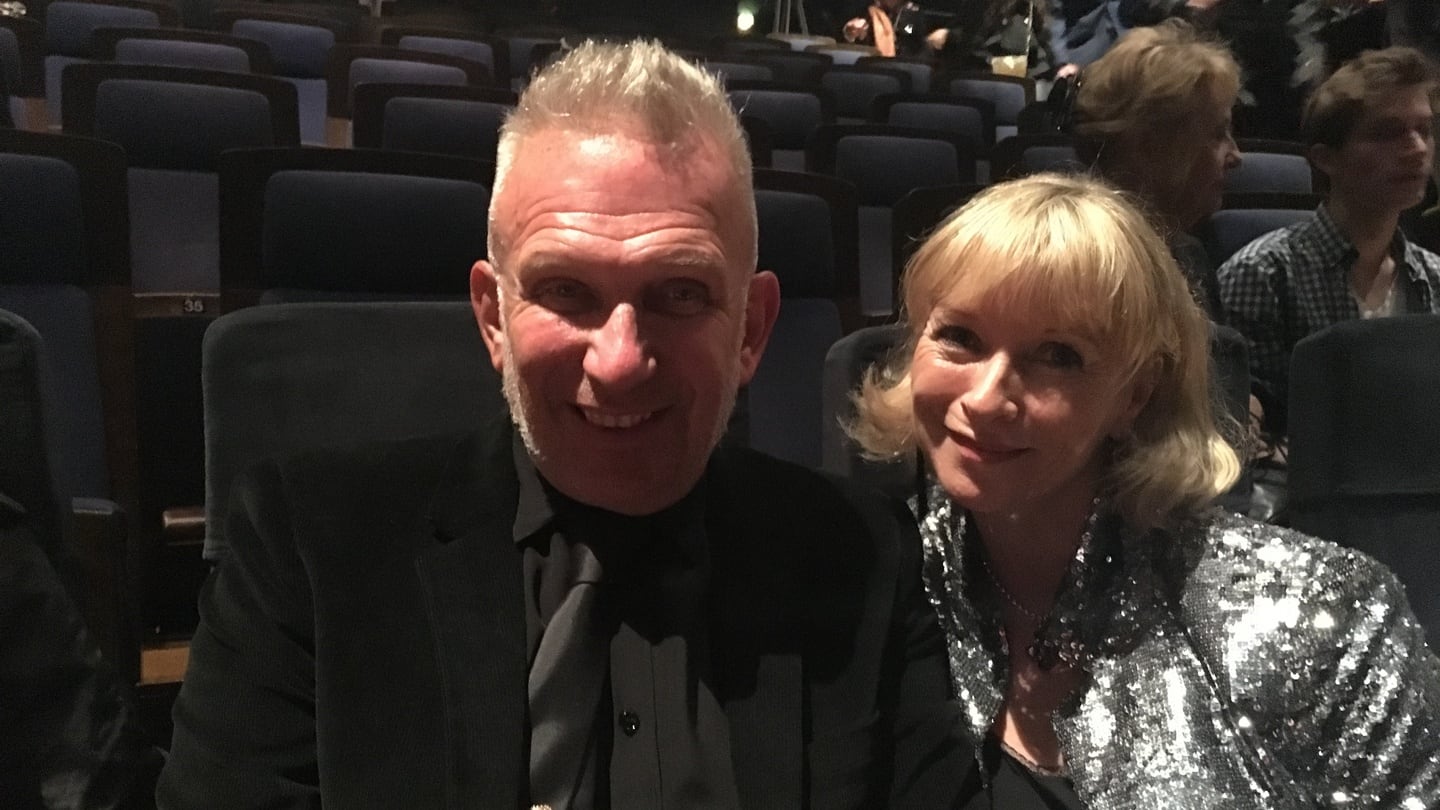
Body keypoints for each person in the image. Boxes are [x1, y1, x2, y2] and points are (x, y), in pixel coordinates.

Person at [157, 39, 970, 808]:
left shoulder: (865, 556)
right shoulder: (305, 546)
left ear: (752, 329)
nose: (618, 361)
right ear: (492, 319)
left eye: (679, 293)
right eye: (565, 292)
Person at [849, 172, 1440, 806]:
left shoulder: (1323, 619)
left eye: (1058, 354)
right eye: (960, 337)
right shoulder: (860, 592)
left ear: (1135, 393)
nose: (987, 399)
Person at [1218, 46, 1440, 438]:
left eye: (1423, 129)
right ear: (1326, 159)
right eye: (1388, 133)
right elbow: (1244, 432)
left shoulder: (1434, 276)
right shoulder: (1262, 275)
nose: (1418, 149)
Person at [1070, 19, 1242, 316]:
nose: (1237, 156)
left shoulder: (1189, 256)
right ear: (1150, 145)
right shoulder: (1072, 266)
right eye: (1217, 134)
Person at [842, 0, 929, 57]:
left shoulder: (913, 11)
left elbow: (910, 33)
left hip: (903, 61)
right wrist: (850, 33)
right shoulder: (867, 9)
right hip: (869, 63)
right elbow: (848, 37)